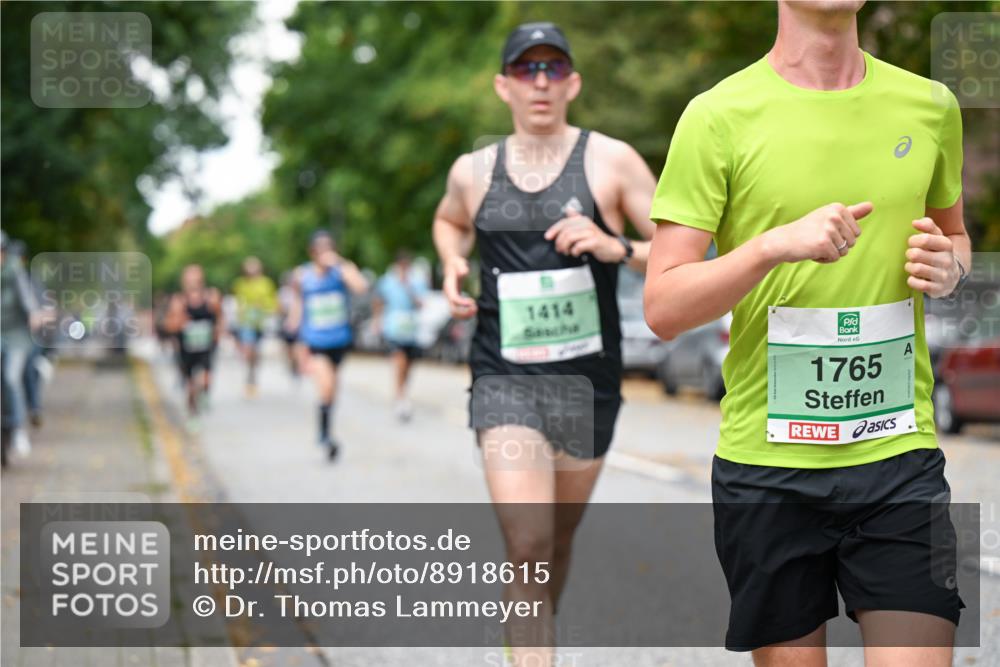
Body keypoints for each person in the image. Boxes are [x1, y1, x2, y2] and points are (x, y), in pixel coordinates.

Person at [644, 1, 969, 663]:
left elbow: (954, 236)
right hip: (769, 469)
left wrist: (950, 266)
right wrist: (771, 247)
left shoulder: (931, 105)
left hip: (898, 456)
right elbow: (664, 304)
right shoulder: (718, 115)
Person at [432, 22, 656, 663]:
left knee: (555, 542)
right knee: (528, 541)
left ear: (573, 83)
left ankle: (528, 636)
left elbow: (681, 248)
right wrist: (452, 263)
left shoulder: (611, 161)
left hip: (590, 384)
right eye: (526, 70)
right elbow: (448, 222)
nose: (539, 81)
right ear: (503, 85)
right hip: (505, 377)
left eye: (552, 68)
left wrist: (615, 246)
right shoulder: (473, 171)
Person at [284, 230, 368, 459]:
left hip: (339, 341)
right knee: (326, 387)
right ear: (312, 252)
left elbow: (361, 287)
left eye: (329, 247)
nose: (325, 253)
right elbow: (298, 303)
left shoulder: (341, 271)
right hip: (315, 342)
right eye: (320, 248)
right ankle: (326, 436)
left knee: (331, 393)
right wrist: (296, 331)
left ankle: (324, 429)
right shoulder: (303, 275)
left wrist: (339, 263)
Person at [373, 250, 429, 422]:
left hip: (411, 330)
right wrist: (377, 321)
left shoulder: (417, 281)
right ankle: (400, 397)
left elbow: (421, 303)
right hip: (394, 329)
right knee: (399, 361)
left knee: (408, 366)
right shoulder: (387, 281)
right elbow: (378, 300)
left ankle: (402, 392)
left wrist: (409, 288)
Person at [164, 265, 224, 421]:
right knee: (190, 386)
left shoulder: (211, 297)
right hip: (186, 348)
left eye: (195, 279)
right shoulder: (179, 301)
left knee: (205, 379)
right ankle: (193, 414)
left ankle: (204, 394)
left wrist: (218, 332)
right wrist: (181, 322)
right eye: (189, 280)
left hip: (206, 346)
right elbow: (169, 326)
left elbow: (219, 318)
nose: (192, 283)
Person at [0, 233, 38, 460]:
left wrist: (33, 314)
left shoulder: (15, 271)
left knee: (12, 378)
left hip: (17, 336)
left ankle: (18, 430)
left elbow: (27, 297)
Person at [231, 256, 278, 397]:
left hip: (261, 322)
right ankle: (250, 376)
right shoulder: (240, 284)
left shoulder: (266, 283)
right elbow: (238, 303)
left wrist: (266, 307)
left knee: (256, 351)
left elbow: (273, 301)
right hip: (246, 322)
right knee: (249, 349)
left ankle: (252, 375)